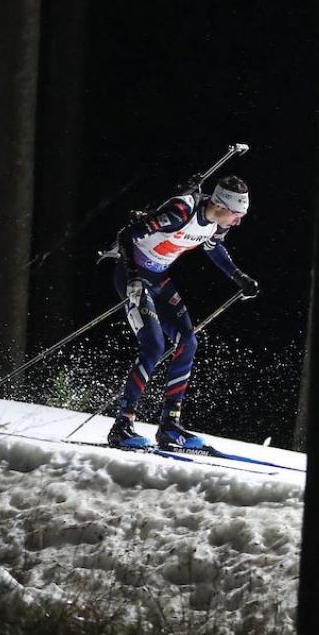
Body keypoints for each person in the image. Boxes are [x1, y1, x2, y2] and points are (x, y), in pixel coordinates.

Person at [103, 175, 260, 449]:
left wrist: (239, 277)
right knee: (153, 345)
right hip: (132, 273)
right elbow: (127, 235)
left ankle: (170, 427)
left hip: (158, 277)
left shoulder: (217, 223)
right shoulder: (181, 211)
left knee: (188, 342)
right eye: (236, 215)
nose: (237, 222)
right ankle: (122, 425)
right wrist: (132, 276)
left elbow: (214, 247)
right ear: (222, 206)